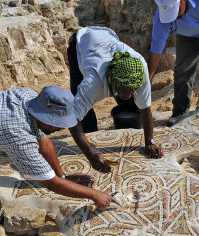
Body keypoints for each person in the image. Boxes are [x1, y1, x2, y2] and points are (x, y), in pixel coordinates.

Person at [67, 26, 164, 173]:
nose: (130, 93)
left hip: (107, 36)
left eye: (133, 88)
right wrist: (90, 154)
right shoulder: (93, 83)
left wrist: (150, 141)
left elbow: (145, 107)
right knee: (81, 108)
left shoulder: (140, 71)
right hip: (80, 45)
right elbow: (72, 119)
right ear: (114, 79)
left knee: (129, 101)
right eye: (125, 89)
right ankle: (89, 136)